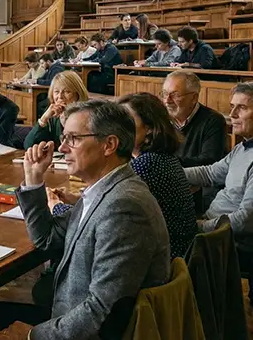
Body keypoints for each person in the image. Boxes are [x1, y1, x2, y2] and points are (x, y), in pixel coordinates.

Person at [0, 100, 171, 340]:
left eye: (73, 139)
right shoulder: (103, 189)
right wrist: (34, 178)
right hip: (70, 314)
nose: (62, 147)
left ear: (109, 144)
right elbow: (46, 239)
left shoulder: (123, 207)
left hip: (88, 331)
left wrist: (32, 335)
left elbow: (102, 311)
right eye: (64, 138)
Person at [50, 93, 197, 259]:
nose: (119, 127)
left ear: (149, 128)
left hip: (164, 261)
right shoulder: (160, 157)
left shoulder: (147, 164)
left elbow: (96, 220)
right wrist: (78, 199)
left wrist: (55, 206)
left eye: (128, 121)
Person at [184, 83, 253, 255]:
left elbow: (244, 221)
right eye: (232, 107)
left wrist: (198, 226)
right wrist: (167, 172)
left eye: (242, 108)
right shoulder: (242, 148)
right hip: (212, 229)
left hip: (230, 243)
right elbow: (210, 173)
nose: (232, 115)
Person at [161, 71, 227, 168]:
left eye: (175, 95)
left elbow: (209, 161)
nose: (167, 100)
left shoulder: (213, 120)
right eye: (165, 94)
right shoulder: (161, 118)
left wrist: (166, 164)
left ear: (193, 98)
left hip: (196, 180)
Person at [24, 71, 88, 149]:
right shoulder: (53, 115)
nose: (60, 96)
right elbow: (29, 145)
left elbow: (81, 148)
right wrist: (43, 119)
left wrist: (66, 125)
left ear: (78, 95)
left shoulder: (87, 115)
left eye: (67, 91)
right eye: (56, 92)